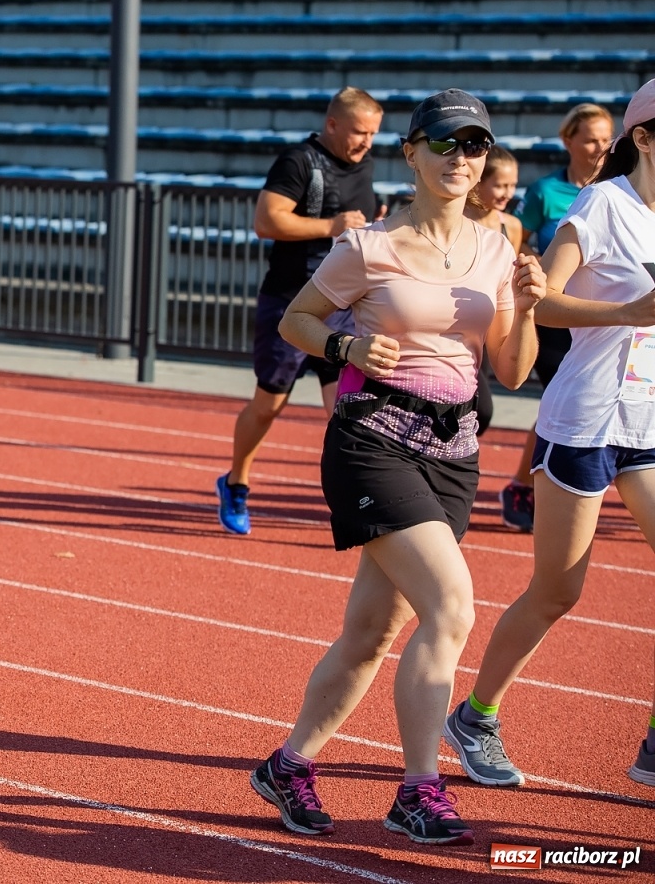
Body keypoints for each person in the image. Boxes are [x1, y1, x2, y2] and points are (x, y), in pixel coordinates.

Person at [251, 90, 544, 846]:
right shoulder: (369, 246)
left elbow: (511, 369)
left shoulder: (499, 245)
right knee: (451, 605)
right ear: (411, 153)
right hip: (373, 440)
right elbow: (297, 320)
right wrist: (346, 347)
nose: (461, 159)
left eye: (475, 146)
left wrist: (525, 305)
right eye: (445, 144)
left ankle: (288, 764)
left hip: (455, 454)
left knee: (373, 631)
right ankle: (418, 789)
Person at [446, 79, 655, 791]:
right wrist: (633, 310)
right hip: (590, 418)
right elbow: (546, 304)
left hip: (651, 422)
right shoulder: (603, 205)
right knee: (557, 591)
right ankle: (477, 713)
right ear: (646, 139)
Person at [216, 87, 385, 535]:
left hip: (341, 306)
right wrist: (331, 226)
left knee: (344, 409)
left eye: (373, 134)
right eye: (358, 132)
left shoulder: (364, 163)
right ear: (332, 125)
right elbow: (266, 221)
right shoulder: (298, 162)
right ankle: (236, 481)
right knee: (268, 405)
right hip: (291, 303)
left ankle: (353, 499)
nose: (366, 142)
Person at [502, 103, 617, 531]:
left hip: (602, 319)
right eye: (590, 138)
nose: (600, 147)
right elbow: (515, 239)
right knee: (560, 398)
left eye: (607, 138)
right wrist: (532, 268)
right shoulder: (547, 192)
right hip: (557, 316)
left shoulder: (620, 193)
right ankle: (524, 484)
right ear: (568, 140)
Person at [464, 145, 524, 435]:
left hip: (490, 321)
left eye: (512, 185)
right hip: (457, 319)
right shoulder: (458, 220)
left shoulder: (510, 226)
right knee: (479, 406)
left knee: (479, 408)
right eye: (499, 185)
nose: (507, 193)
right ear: (478, 182)